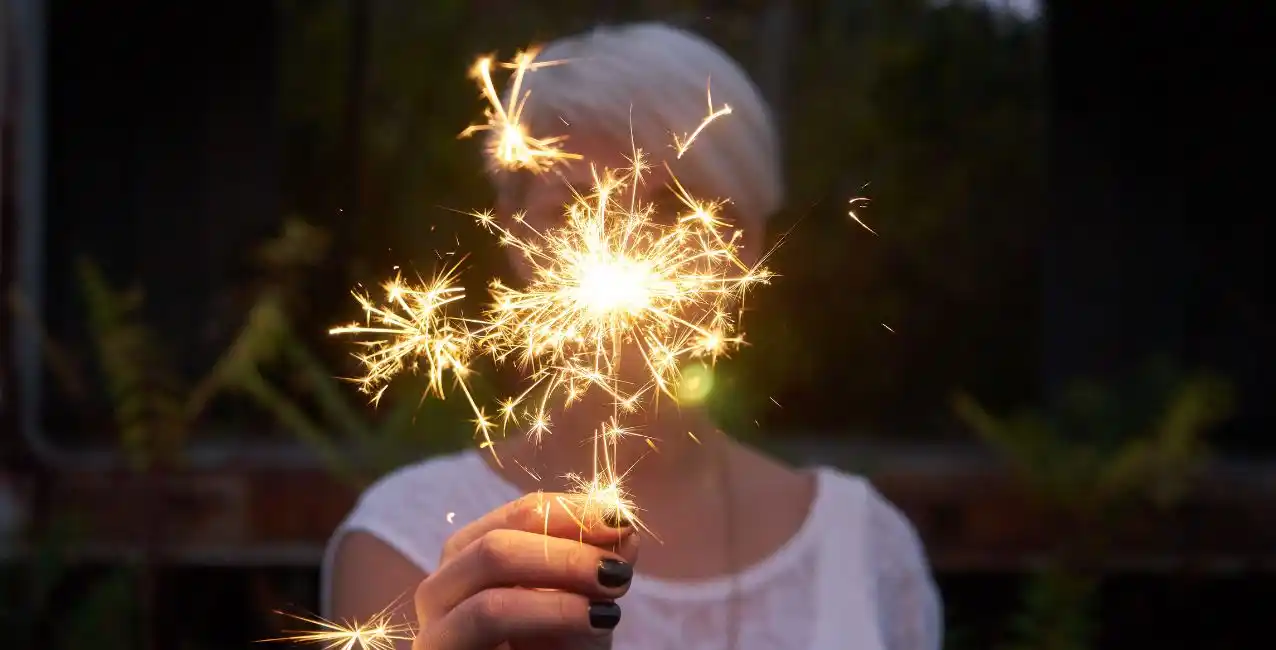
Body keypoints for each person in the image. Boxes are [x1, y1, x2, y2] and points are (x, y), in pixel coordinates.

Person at [324, 22, 942, 650]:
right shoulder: (409, 541)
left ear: (749, 246)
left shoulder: (865, 545)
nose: (626, 244)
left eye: (677, 207)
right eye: (574, 208)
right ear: (516, 238)